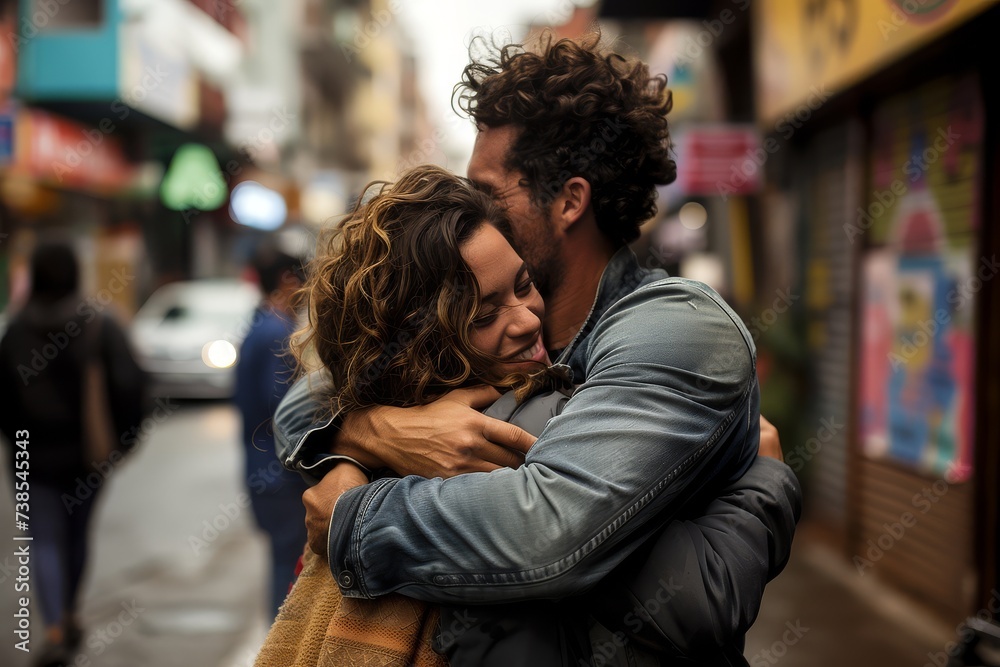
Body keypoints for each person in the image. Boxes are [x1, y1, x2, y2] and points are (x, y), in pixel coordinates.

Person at [276, 33, 801, 664]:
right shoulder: (471, 345)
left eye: (490, 193)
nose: (474, 209)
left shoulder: (674, 329)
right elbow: (302, 404)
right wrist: (374, 434)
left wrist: (355, 520)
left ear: (571, 201)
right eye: (486, 311)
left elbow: (548, 535)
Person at [0, 241, 148, 667]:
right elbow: (130, 385)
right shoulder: (98, 323)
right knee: (77, 536)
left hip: (30, 456)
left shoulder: (15, 329)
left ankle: (54, 626)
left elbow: (4, 399)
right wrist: (124, 442)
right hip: (88, 456)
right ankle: (68, 614)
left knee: (43, 540)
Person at [233, 249, 309, 620]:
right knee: (288, 569)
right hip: (279, 475)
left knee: (283, 563)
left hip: (263, 471)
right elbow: (284, 408)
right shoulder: (277, 333)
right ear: (286, 280)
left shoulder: (259, 325)